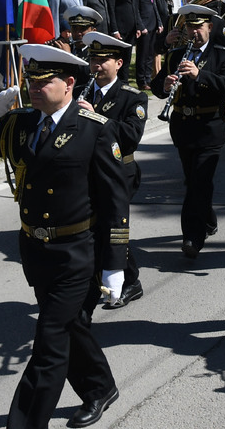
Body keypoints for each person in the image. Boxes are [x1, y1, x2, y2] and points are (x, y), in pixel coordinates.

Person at [0, 44, 127, 429]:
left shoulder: (94, 130)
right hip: (35, 248)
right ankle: (100, 387)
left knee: (49, 341)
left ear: (68, 83)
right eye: (30, 80)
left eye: (43, 81)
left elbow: (117, 199)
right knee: (70, 326)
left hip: (77, 253)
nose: (33, 87)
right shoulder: (21, 124)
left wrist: (116, 265)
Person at [152, 4, 225, 259]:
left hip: (210, 127)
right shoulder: (176, 55)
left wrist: (200, 74)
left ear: (210, 27)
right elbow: (157, 88)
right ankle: (208, 219)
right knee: (194, 181)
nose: (194, 32)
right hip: (183, 127)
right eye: (190, 27)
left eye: (198, 27)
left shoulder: (224, 55)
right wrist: (165, 85)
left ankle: (192, 237)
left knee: (199, 181)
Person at [79, 32, 149, 312]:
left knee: (111, 226)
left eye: (102, 60)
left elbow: (131, 136)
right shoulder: (80, 91)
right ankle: (119, 277)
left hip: (119, 171)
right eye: (93, 59)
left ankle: (126, 280)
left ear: (119, 63)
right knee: (96, 226)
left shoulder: (133, 97)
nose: (96, 65)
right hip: (87, 171)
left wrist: (95, 117)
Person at [102, 0, 139, 80]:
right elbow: (110, 9)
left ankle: (125, 82)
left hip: (131, 30)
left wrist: (138, 26)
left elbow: (134, 7)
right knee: (119, 60)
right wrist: (114, 30)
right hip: (120, 30)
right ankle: (120, 83)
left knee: (127, 60)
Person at [131, 0, 161, 91]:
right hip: (144, 28)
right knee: (142, 55)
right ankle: (142, 81)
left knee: (150, 55)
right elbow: (135, 9)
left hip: (153, 26)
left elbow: (154, 7)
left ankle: (148, 79)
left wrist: (159, 22)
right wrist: (140, 26)